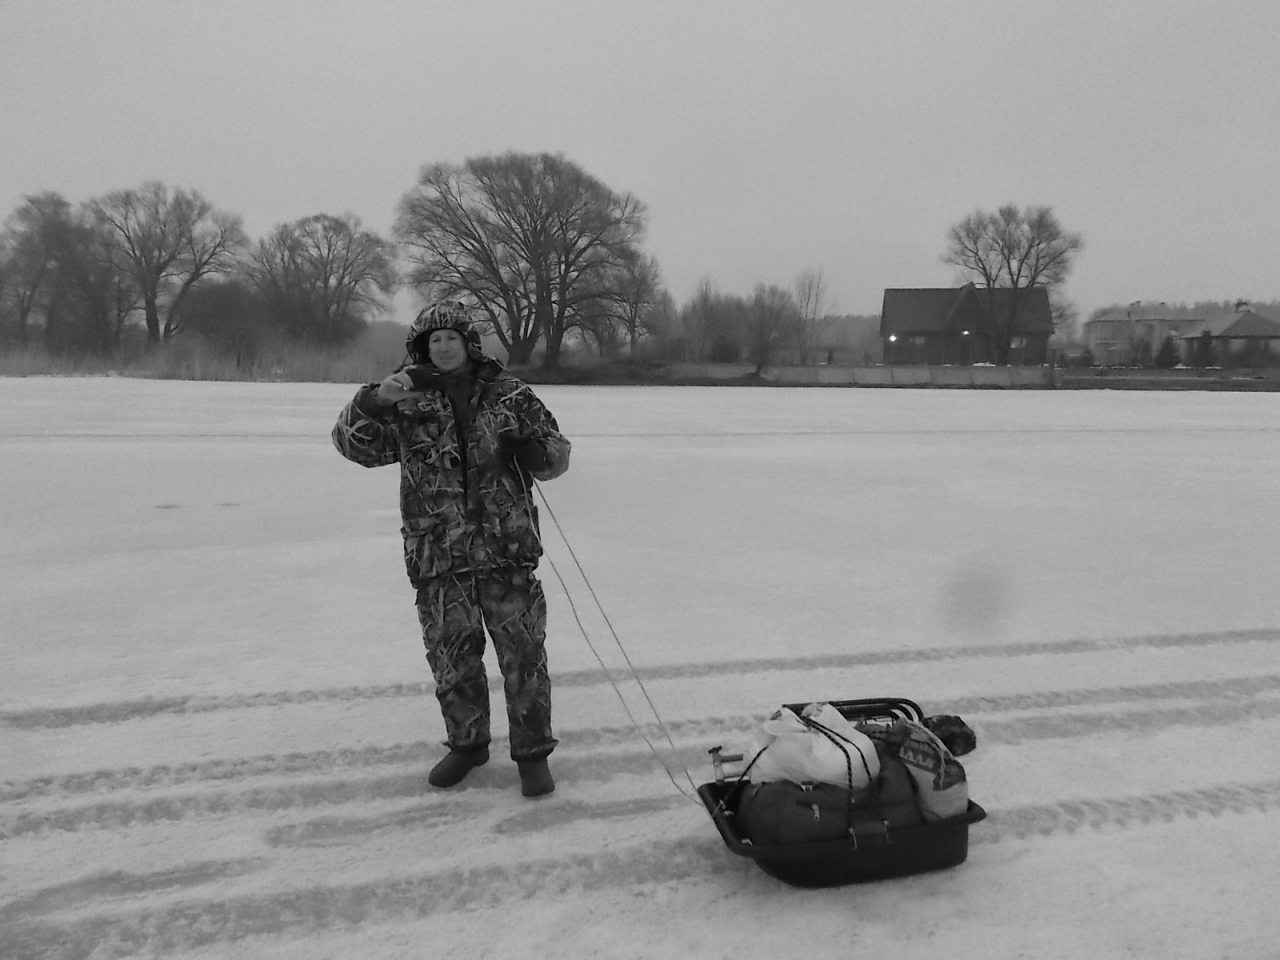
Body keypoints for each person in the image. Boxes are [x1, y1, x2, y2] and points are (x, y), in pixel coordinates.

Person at [332, 299, 571, 797]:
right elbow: (353, 446)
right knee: (451, 655)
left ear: (469, 344)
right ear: (421, 348)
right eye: (432, 340)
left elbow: (557, 452)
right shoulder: (403, 396)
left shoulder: (509, 394)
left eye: (451, 338)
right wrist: (373, 402)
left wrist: (537, 453)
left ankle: (532, 753)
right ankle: (467, 744)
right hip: (438, 555)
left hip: (506, 551)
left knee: (523, 654)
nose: (442, 346)